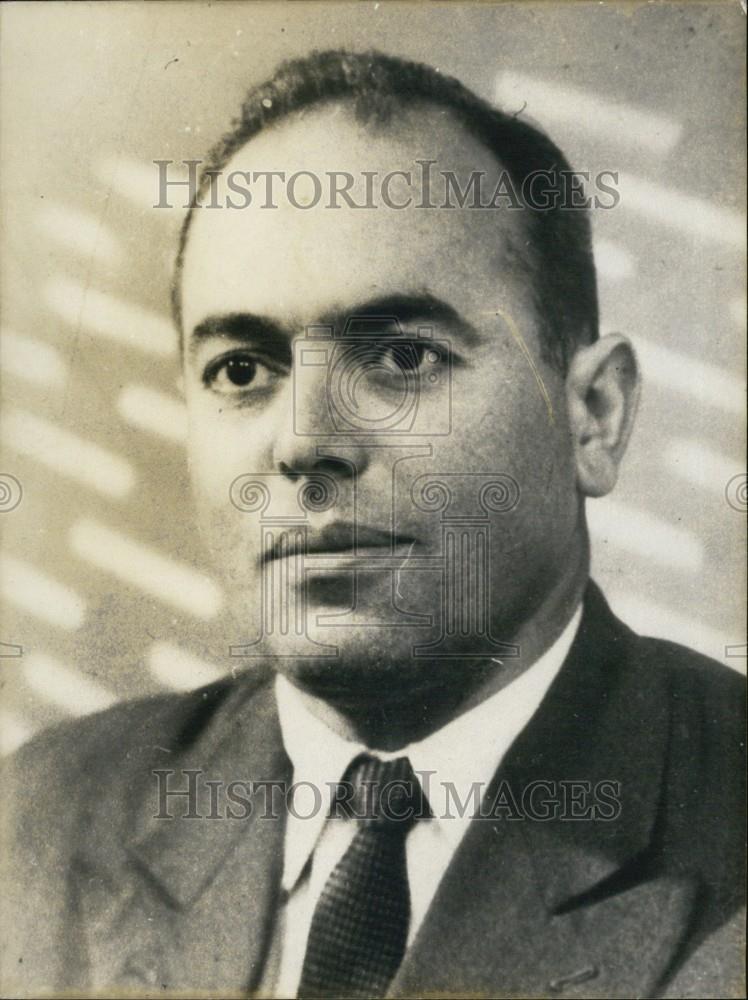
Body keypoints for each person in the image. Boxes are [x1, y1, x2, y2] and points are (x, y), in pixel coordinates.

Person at [1, 49, 744, 999]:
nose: (305, 441)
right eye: (242, 370)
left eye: (401, 357)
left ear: (593, 415)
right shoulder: (40, 823)